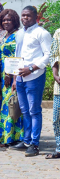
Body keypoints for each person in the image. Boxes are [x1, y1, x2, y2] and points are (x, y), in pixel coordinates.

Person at [11, 6, 51, 157]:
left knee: (34, 111)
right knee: (25, 110)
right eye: (23, 15)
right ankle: (26, 141)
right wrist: (15, 77)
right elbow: (17, 55)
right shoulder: (20, 33)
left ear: (35, 17)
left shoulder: (42, 33)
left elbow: (48, 55)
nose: (25, 18)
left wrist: (32, 68)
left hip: (35, 77)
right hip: (21, 77)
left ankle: (34, 144)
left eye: (28, 16)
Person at [0, 9, 23, 147]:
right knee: (8, 105)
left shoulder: (17, 35)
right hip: (3, 75)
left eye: (9, 20)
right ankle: (8, 137)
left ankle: (12, 138)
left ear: (15, 21)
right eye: (4, 20)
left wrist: (12, 77)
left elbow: (17, 58)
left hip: (12, 75)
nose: (6, 22)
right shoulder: (5, 35)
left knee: (12, 104)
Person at [48, 27, 60, 158]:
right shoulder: (58, 32)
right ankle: (59, 147)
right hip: (59, 84)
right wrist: (55, 75)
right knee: (57, 118)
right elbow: (54, 55)